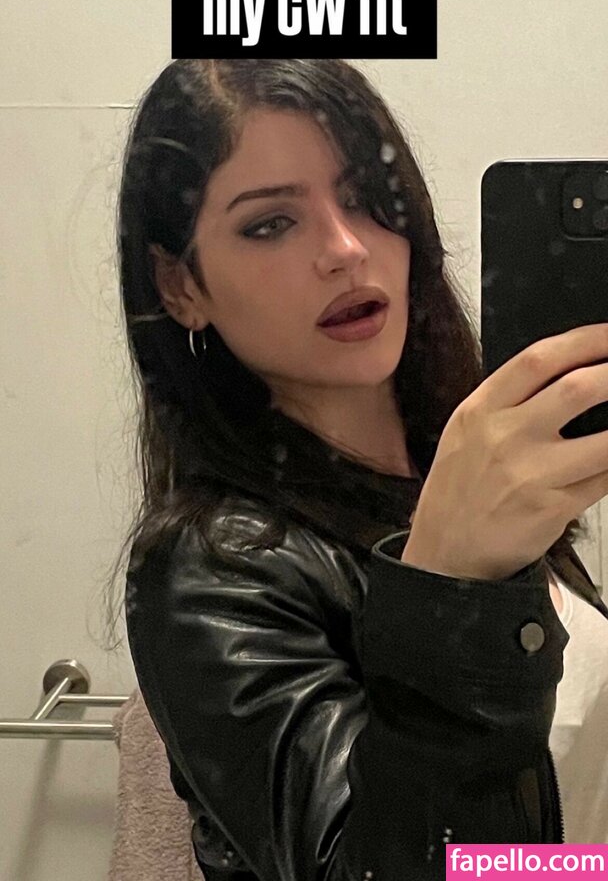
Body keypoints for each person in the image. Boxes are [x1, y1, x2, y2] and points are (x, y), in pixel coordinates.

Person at [110, 58, 608, 880]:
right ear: (180, 284)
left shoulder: (463, 472)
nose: (345, 250)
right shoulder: (208, 569)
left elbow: (548, 843)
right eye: (271, 223)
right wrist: (451, 584)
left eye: (366, 198)